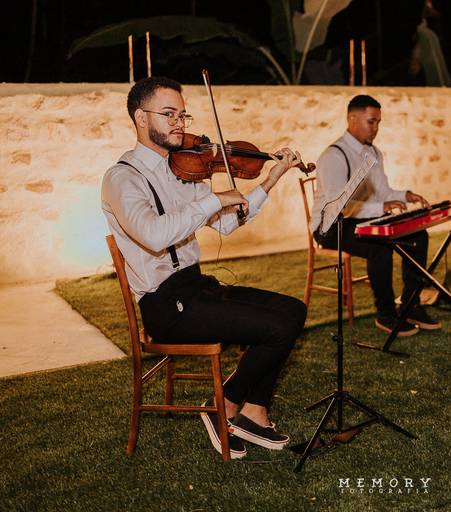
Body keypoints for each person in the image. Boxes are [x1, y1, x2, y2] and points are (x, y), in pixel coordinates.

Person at [101, 77, 307, 459]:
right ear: (141, 118)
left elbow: (226, 223)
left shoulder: (187, 168)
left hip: (198, 288)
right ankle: (223, 405)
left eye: (182, 115)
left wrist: (270, 179)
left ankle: (253, 411)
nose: (179, 123)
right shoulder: (122, 178)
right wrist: (212, 199)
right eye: (169, 114)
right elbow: (154, 235)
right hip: (166, 305)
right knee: (276, 329)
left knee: (293, 310)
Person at [310, 94, 440, 336]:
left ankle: (411, 305)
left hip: (364, 219)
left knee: (418, 236)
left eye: (379, 122)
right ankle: (386, 313)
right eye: (371, 121)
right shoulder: (334, 156)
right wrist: (382, 207)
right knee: (379, 247)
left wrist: (405, 195)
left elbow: (383, 193)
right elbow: (338, 205)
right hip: (330, 227)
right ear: (352, 118)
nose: (376, 128)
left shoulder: (374, 153)